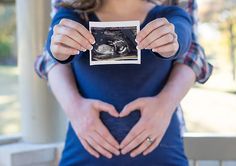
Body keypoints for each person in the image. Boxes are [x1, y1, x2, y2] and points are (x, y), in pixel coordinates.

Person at [34, 0, 213, 165]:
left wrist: (172, 42)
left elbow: (182, 35)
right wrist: (59, 45)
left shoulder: (172, 14)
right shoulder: (73, 15)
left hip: (163, 156)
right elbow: (56, 47)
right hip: (82, 156)